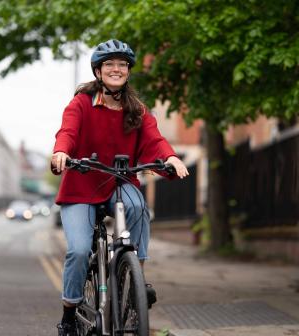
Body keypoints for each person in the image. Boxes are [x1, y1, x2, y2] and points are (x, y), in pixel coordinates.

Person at [51, 39, 189, 335]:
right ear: (98, 71)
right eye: (110, 64)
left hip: (120, 180)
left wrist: (171, 158)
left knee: (139, 205)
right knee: (77, 251)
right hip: (82, 185)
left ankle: (135, 273)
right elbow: (67, 131)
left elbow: (154, 140)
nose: (116, 69)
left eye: (122, 64)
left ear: (128, 71)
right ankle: (69, 313)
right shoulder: (81, 104)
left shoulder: (136, 109)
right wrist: (62, 151)